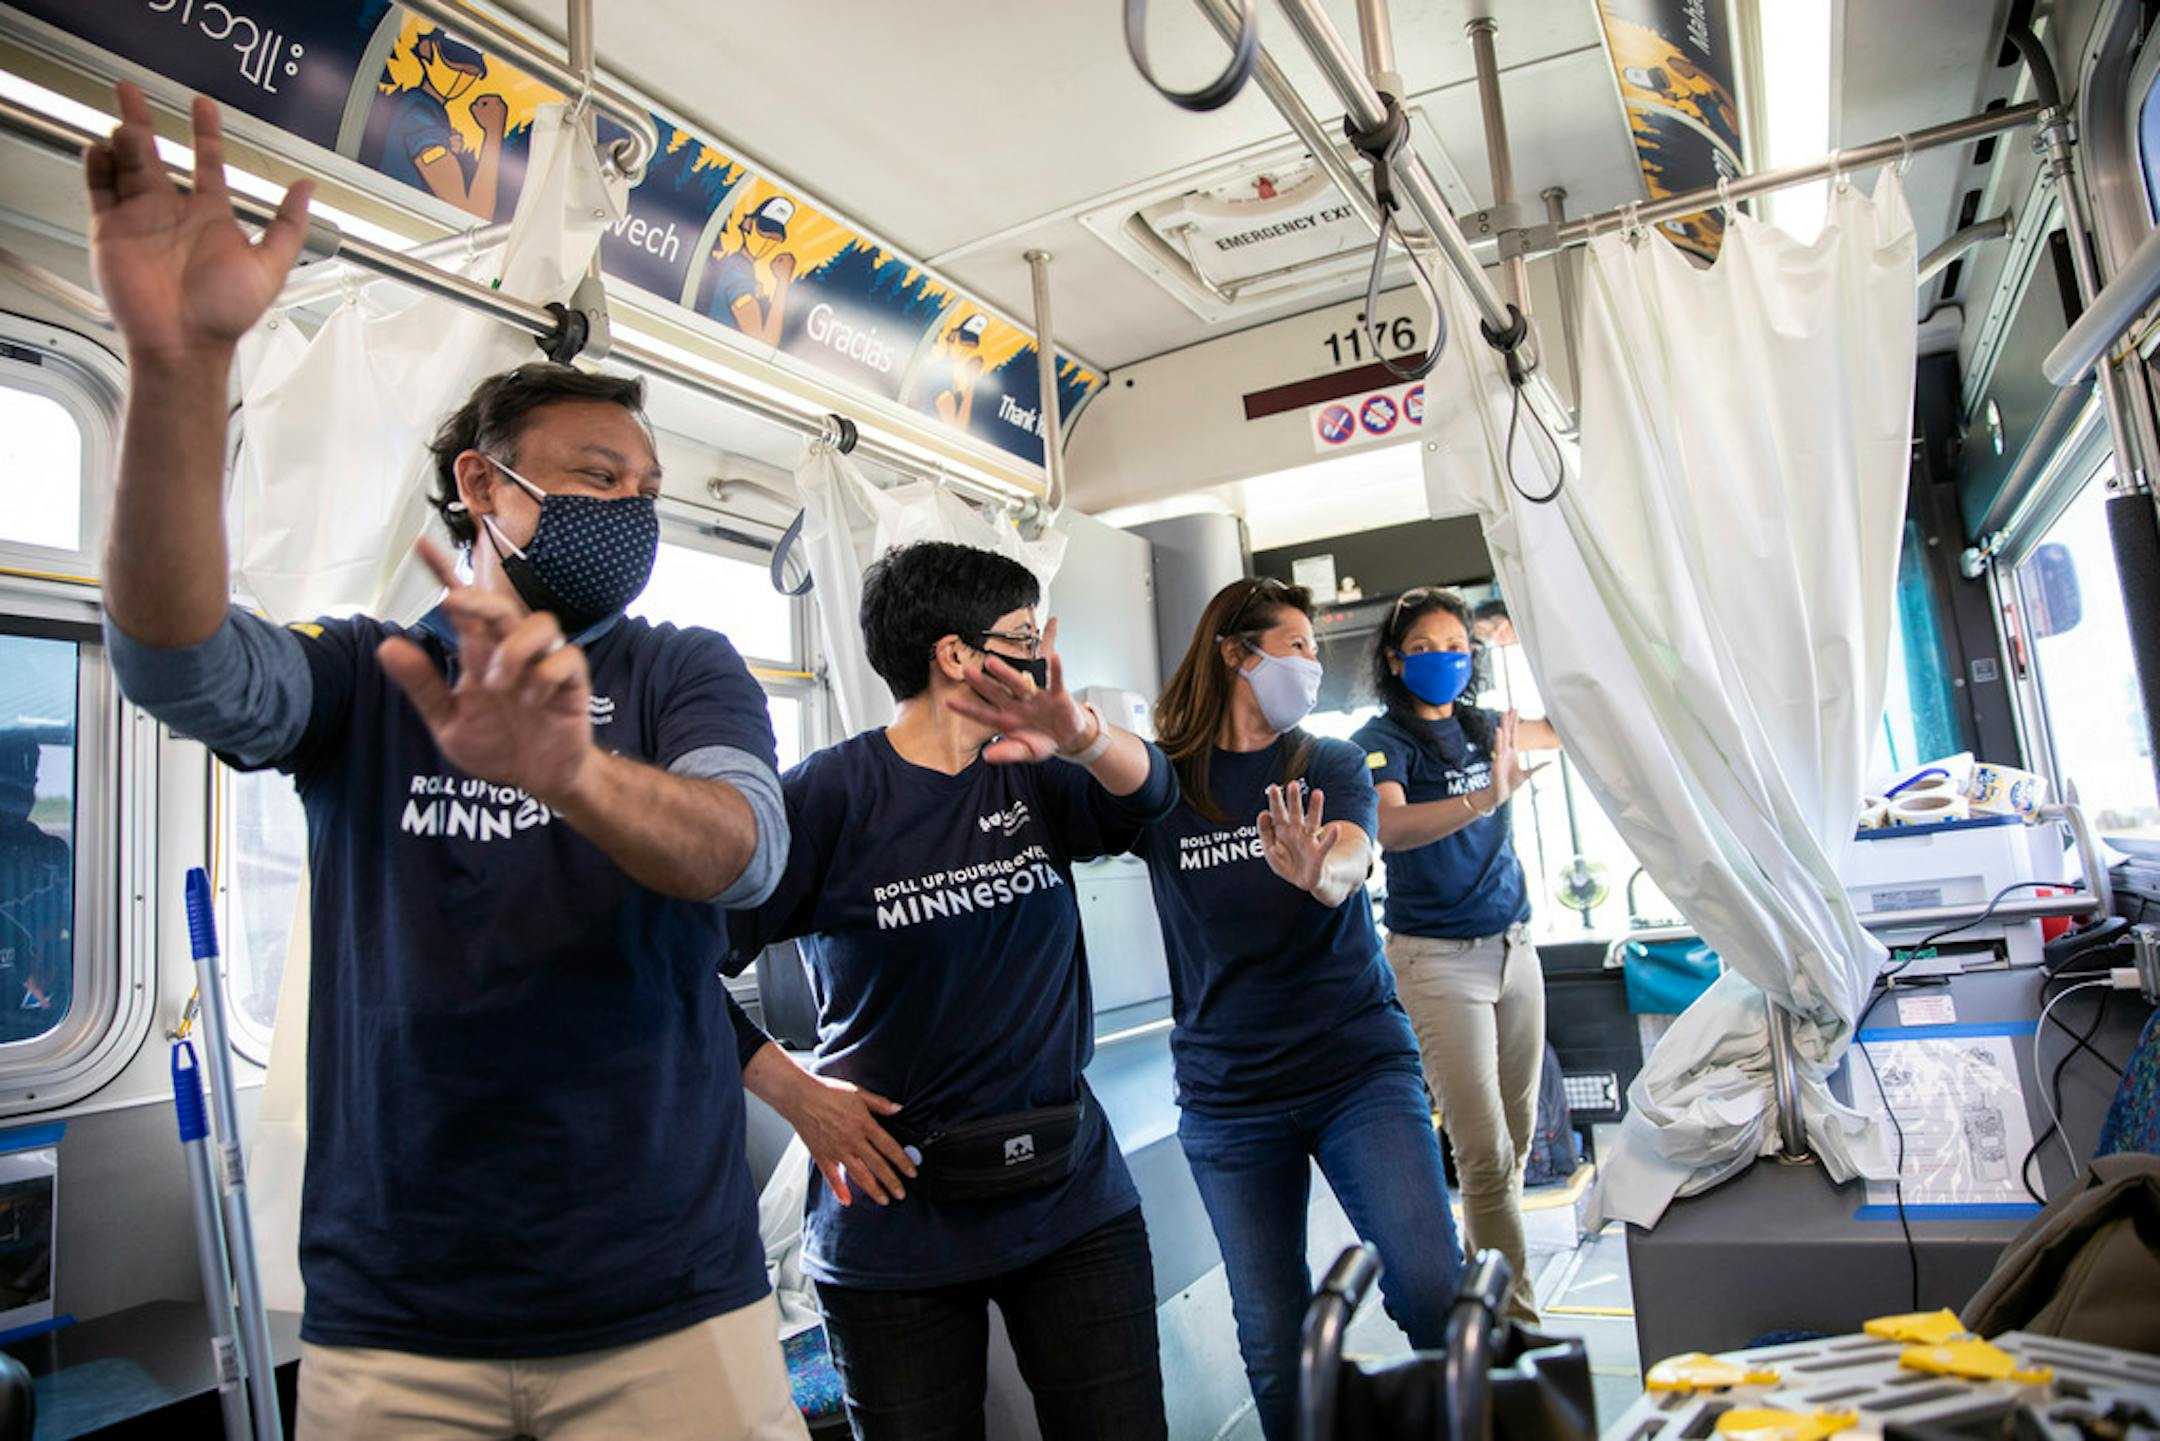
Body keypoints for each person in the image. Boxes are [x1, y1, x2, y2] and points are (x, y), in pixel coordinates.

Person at [84, 83, 892, 1437]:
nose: (631, 508)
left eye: (647, 490)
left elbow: (745, 847)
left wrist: (569, 770)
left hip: (667, 1298)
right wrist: (176, 376)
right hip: (400, 1313)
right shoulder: (369, 674)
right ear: (483, 488)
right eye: (593, 474)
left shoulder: (679, 666)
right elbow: (181, 663)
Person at [726, 540, 1175, 1441]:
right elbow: (674, 964)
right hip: (895, 1222)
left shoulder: (1035, 768)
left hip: (1069, 1199)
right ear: (958, 655)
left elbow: (1151, 798)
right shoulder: (827, 796)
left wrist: (1081, 734)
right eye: (1022, 636)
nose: (1039, 656)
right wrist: (802, 1097)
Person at [1132, 576, 1465, 1441]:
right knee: (1277, 1343)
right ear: (1238, 654)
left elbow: (1354, 853)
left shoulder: (1329, 762)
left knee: (1433, 1289)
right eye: (1299, 647)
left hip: (1356, 1068)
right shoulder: (1168, 783)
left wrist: (1320, 872)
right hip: (1230, 1097)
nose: (1315, 665)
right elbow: (1094, 781)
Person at [1352, 587, 1562, 1328]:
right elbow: (1393, 826)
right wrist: (1486, 797)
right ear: (1393, 658)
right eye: (1427, 647)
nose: (1445, 659)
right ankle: (1516, 1323)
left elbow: (1570, 727)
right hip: (1437, 961)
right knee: (1482, 1152)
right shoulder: (1381, 736)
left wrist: (1532, 630)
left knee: (1514, 1144)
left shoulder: (1481, 724)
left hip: (1514, 946)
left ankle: (1487, 1293)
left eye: (1458, 647)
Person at [372, 28, 507, 219]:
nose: (461, 78)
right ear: (428, 49)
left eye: (471, 73)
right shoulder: (419, 111)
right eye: (454, 65)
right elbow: (472, 215)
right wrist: (494, 131)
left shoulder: (432, 109)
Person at [0, 734, 69, 1038]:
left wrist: (51, 947)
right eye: (9, 786)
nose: (26, 794)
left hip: (45, 1025)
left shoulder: (51, 857)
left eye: (28, 780)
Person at [708, 194, 799, 344]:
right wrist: (783, 282)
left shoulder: (745, 270)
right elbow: (765, 346)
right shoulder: (737, 270)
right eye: (764, 230)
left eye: (774, 238)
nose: (767, 240)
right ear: (748, 224)